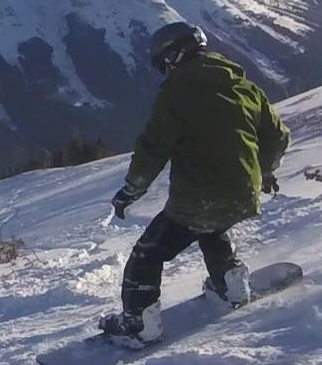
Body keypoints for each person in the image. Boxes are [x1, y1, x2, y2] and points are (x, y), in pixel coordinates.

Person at [101, 21, 290, 343]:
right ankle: (229, 285)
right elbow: (277, 136)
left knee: (148, 254)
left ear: (175, 55)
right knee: (211, 228)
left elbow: (154, 147)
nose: (163, 69)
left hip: (200, 195)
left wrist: (132, 189)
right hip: (243, 193)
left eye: (163, 61)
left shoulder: (178, 93)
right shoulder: (244, 86)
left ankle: (138, 324)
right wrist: (265, 171)